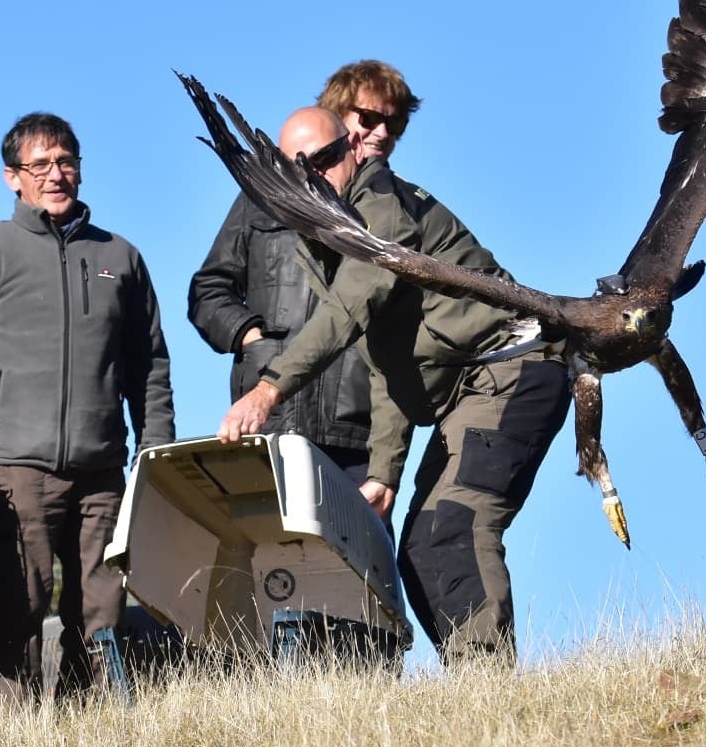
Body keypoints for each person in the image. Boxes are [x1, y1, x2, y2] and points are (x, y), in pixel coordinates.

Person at [218, 107, 571, 667]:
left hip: (516, 368)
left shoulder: (379, 208)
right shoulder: (325, 230)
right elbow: (386, 359)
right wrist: (384, 472)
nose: (316, 175)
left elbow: (348, 309)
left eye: (328, 159)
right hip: (468, 386)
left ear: (354, 150)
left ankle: (490, 686)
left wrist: (270, 388)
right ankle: (476, 681)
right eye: (299, 168)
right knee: (417, 549)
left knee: (451, 527)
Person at [0, 112, 175, 701]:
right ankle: (11, 740)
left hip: (104, 470)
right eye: (39, 165)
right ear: (13, 177)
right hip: (16, 465)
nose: (55, 175)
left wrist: (156, 447)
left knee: (102, 608)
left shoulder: (121, 256)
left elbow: (149, 364)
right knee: (17, 606)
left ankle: (92, 728)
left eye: (65, 162)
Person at [188, 61, 421, 516]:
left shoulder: (397, 212)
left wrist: (386, 465)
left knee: (358, 571)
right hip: (268, 422)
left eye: (395, 123)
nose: (382, 132)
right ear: (335, 117)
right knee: (267, 566)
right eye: (369, 118)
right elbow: (208, 289)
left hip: (354, 433)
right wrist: (253, 338)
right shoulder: (261, 197)